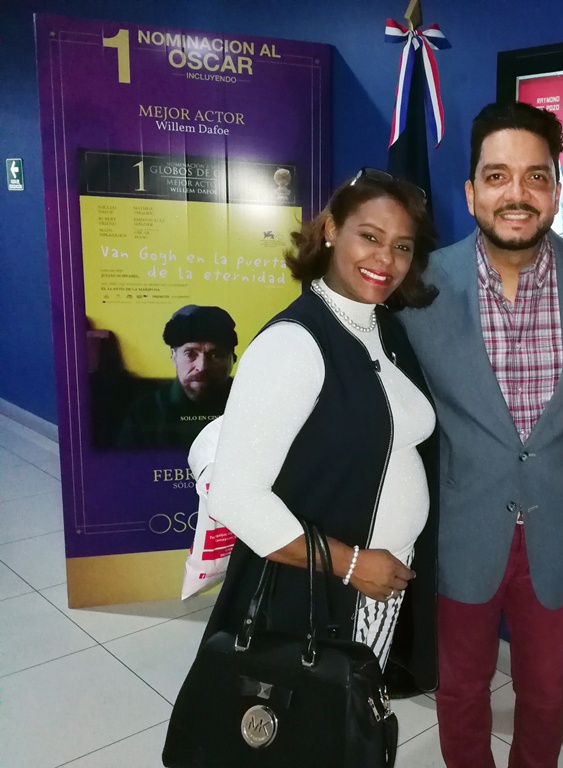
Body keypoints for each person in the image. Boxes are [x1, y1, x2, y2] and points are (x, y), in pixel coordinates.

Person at [398, 101, 563, 768]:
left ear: (556, 189)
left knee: (548, 692)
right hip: (461, 525)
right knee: (460, 687)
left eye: (535, 176)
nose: (517, 194)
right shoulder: (418, 287)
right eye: (497, 176)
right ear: (471, 191)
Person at [201, 170, 440, 694]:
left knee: (350, 715)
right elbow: (236, 497)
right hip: (320, 588)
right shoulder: (294, 343)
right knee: (311, 721)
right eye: (370, 236)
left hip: (376, 585)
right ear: (332, 229)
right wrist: (352, 565)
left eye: (402, 246)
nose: (385, 259)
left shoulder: (381, 326)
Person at [117, 305, 236, 448]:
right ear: (174, 357)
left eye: (216, 355)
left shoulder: (252, 405)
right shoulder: (144, 413)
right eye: (190, 354)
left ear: (232, 359)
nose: (202, 367)